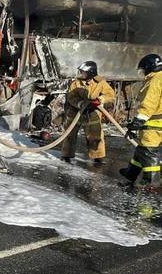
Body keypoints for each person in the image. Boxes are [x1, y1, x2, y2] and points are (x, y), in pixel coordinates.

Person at [60, 60, 116, 165]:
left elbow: (111, 95)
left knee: (95, 135)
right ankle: (66, 155)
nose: (81, 74)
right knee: (69, 135)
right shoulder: (76, 82)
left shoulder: (100, 82)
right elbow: (71, 97)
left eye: (84, 72)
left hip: (92, 112)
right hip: (75, 111)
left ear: (91, 72)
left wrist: (100, 99)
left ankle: (97, 157)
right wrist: (80, 103)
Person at [120, 53, 162, 186]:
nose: (143, 73)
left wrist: (139, 121)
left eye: (143, 70)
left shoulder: (155, 80)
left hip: (153, 122)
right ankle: (131, 173)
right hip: (156, 121)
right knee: (141, 149)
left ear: (150, 67)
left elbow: (150, 102)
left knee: (149, 152)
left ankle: (151, 182)